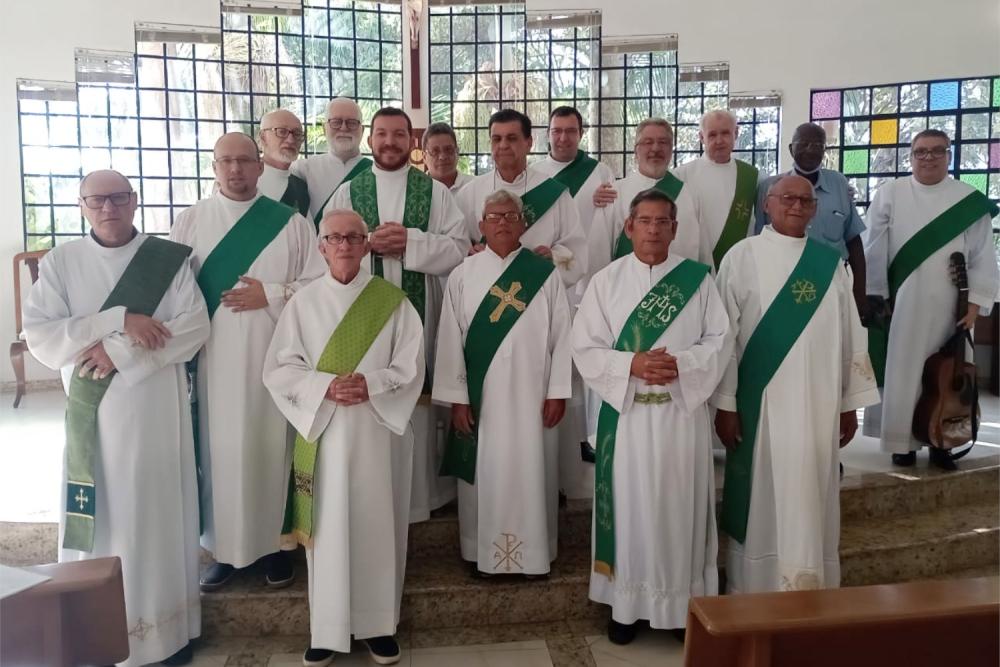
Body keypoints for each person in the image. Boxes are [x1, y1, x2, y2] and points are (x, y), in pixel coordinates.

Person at [23, 170, 210, 666]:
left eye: (119, 197)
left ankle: (165, 635)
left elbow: (195, 326)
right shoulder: (62, 262)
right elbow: (41, 335)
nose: (109, 207)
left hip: (155, 411)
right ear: (82, 205)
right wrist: (118, 321)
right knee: (105, 519)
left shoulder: (167, 259)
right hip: (97, 421)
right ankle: (98, 632)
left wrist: (119, 352)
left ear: (135, 201)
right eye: (98, 199)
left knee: (155, 515)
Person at [264, 209, 424, 667]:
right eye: (335, 238)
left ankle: (378, 626)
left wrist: (371, 385)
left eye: (354, 237)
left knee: (377, 525)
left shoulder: (393, 302)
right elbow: (279, 368)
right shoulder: (303, 303)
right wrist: (325, 387)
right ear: (321, 247)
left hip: (377, 433)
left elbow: (411, 365)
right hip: (325, 435)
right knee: (328, 531)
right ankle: (327, 629)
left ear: (367, 245)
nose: (345, 246)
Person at [171, 132, 326, 593]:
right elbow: (174, 294)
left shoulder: (290, 223)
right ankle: (224, 550)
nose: (236, 169)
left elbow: (318, 287)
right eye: (226, 161)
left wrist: (271, 294)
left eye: (244, 160)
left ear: (260, 166)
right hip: (213, 361)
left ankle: (276, 546)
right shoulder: (190, 222)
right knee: (218, 452)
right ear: (214, 168)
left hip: (275, 359)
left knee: (270, 449)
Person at [573, 188, 728, 645]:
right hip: (627, 420)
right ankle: (627, 607)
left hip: (680, 417)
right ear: (629, 227)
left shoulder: (697, 281)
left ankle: (679, 608)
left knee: (679, 509)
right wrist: (633, 365)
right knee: (630, 511)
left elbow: (720, 340)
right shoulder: (605, 281)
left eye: (663, 222)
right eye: (645, 221)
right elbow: (585, 346)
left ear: (675, 229)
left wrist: (682, 365)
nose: (654, 230)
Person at [713, 175, 879, 594]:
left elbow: (850, 334)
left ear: (815, 209)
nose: (796, 206)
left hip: (819, 403)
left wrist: (849, 403)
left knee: (810, 492)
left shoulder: (830, 263)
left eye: (805, 201)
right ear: (767, 205)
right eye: (787, 198)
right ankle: (755, 587)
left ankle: (807, 583)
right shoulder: (741, 257)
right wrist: (726, 403)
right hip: (761, 403)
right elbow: (722, 337)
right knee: (762, 495)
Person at [327, 107, 468, 522]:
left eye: (399, 135)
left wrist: (411, 242)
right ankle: (371, 497)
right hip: (361, 318)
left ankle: (421, 499)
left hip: (419, 313)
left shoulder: (435, 193)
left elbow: (459, 249)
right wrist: (365, 244)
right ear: (370, 139)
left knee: (414, 401)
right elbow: (327, 248)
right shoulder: (348, 193)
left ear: (412, 141)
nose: (390, 142)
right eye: (382, 134)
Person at [434, 190, 572, 578]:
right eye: (494, 217)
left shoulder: (544, 274)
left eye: (510, 216)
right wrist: (458, 399)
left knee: (533, 470)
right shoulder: (462, 275)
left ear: (523, 223)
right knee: (486, 472)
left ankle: (535, 555)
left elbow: (562, 336)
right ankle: (481, 553)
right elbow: (450, 340)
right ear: (481, 225)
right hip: (482, 398)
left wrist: (557, 391)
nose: (502, 223)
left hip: (534, 396)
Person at [863, 129, 999, 469]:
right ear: (911, 156)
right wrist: (877, 297)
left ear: (948, 155)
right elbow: (873, 247)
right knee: (904, 371)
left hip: (952, 305)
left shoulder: (968, 200)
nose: (929, 157)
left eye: (937, 151)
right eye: (921, 151)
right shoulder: (891, 193)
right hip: (903, 304)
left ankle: (943, 441)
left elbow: (983, 255)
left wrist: (974, 306)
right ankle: (903, 442)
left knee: (948, 372)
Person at [532, 106, 618, 498]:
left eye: (570, 131)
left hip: (590, 277)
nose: (563, 137)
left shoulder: (599, 172)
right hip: (548, 282)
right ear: (547, 134)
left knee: (587, 360)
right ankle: (559, 441)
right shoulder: (536, 175)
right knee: (556, 363)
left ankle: (586, 438)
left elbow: (613, 222)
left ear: (581, 133)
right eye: (557, 131)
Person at [455, 108, 587, 288]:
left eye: (512, 138)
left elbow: (577, 253)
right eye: (497, 139)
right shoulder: (469, 194)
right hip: (484, 292)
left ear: (529, 143)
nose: (503, 145)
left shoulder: (556, 194)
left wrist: (552, 257)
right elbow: (457, 248)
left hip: (538, 291)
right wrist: (470, 252)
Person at [755, 122, 867, 318]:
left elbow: (853, 240)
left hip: (833, 280)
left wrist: (859, 293)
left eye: (818, 145)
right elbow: (760, 240)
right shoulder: (770, 187)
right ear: (791, 149)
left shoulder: (839, 183)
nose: (811, 150)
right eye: (804, 144)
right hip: (784, 281)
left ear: (825, 150)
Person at [587, 118, 700, 280]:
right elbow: (598, 251)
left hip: (679, 288)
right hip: (625, 286)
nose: (655, 148)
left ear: (671, 149)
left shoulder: (689, 195)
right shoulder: (614, 193)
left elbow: (702, 252)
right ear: (636, 150)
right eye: (648, 142)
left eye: (663, 142)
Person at [673, 110, 758, 271]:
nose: (719, 141)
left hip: (740, 266)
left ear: (736, 133)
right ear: (701, 137)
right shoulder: (681, 176)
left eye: (725, 133)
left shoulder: (752, 176)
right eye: (712, 135)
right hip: (695, 264)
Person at [290, 97, 371, 224]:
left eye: (352, 122)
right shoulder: (303, 169)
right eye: (336, 122)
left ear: (362, 130)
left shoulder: (374, 171)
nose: (344, 128)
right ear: (324, 128)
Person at [257, 108, 310, 216]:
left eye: (297, 134)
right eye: (281, 131)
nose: (291, 140)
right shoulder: (246, 179)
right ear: (263, 137)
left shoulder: (300, 187)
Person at [423, 122, 475, 193]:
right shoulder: (415, 190)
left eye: (448, 150)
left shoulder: (475, 186)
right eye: (435, 151)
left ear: (457, 152)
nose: (442, 157)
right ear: (424, 157)